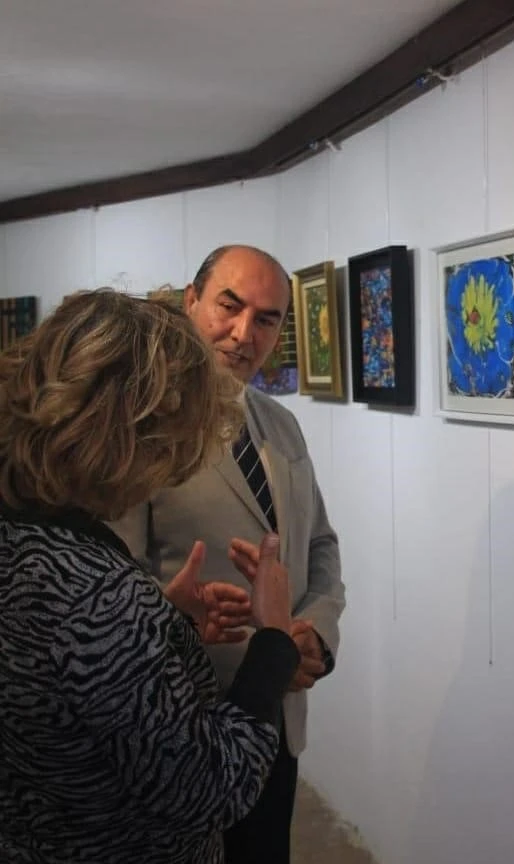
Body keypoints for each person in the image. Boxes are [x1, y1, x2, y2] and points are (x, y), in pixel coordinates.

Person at [0, 289, 304, 863]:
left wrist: (162, 620)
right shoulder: (98, 596)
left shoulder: (25, 535)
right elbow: (210, 789)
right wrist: (272, 640)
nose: (175, 466)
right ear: (134, 435)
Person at [112, 244, 346, 864]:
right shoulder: (142, 431)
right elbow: (112, 581)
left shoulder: (282, 425)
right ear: (191, 301)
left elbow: (319, 546)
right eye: (229, 306)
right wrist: (173, 618)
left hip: (276, 725)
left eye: (266, 319)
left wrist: (313, 637)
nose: (244, 334)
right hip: (184, 733)